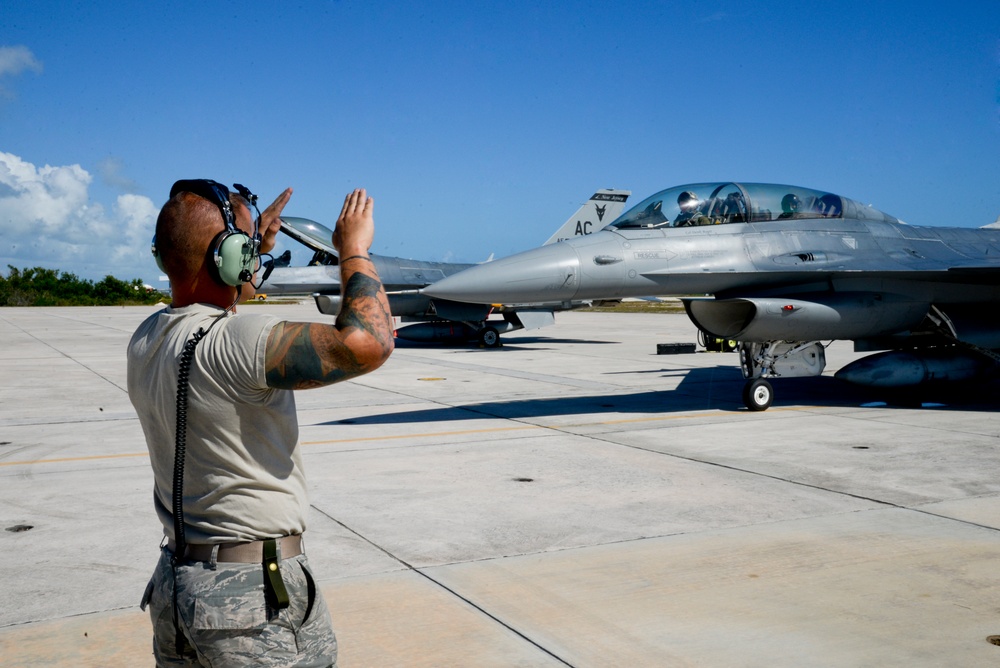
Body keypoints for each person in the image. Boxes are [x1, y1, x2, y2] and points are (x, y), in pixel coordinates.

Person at [127, 181, 394, 667]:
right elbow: (369, 343)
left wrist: (257, 249)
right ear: (226, 256)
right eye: (245, 249)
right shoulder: (236, 343)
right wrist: (353, 249)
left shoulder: (146, 338)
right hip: (251, 602)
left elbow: (216, 309)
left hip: (177, 588)